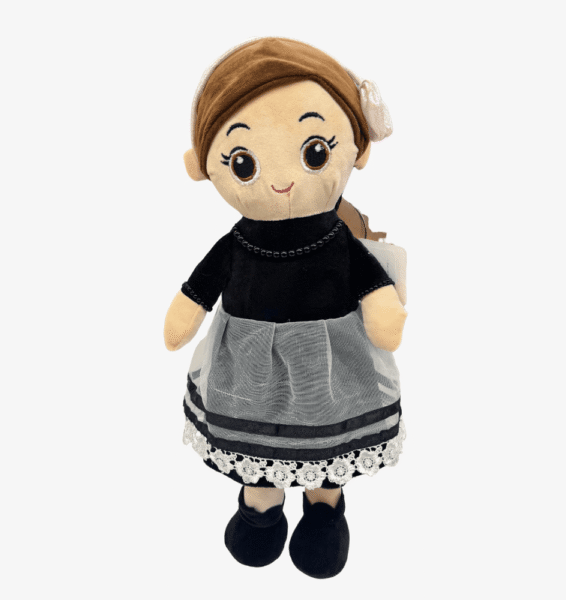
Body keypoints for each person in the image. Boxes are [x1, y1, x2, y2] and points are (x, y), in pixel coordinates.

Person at [164, 37, 407, 579]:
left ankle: (324, 509)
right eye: (243, 163)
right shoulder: (236, 243)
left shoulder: (339, 241)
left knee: (329, 446)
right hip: (249, 366)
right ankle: (261, 506)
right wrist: (183, 314)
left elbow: (372, 283)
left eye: (315, 151)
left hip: (330, 366)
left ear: (355, 147)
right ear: (204, 165)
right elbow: (200, 288)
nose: (280, 180)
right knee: (258, 447)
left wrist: (383, 308)